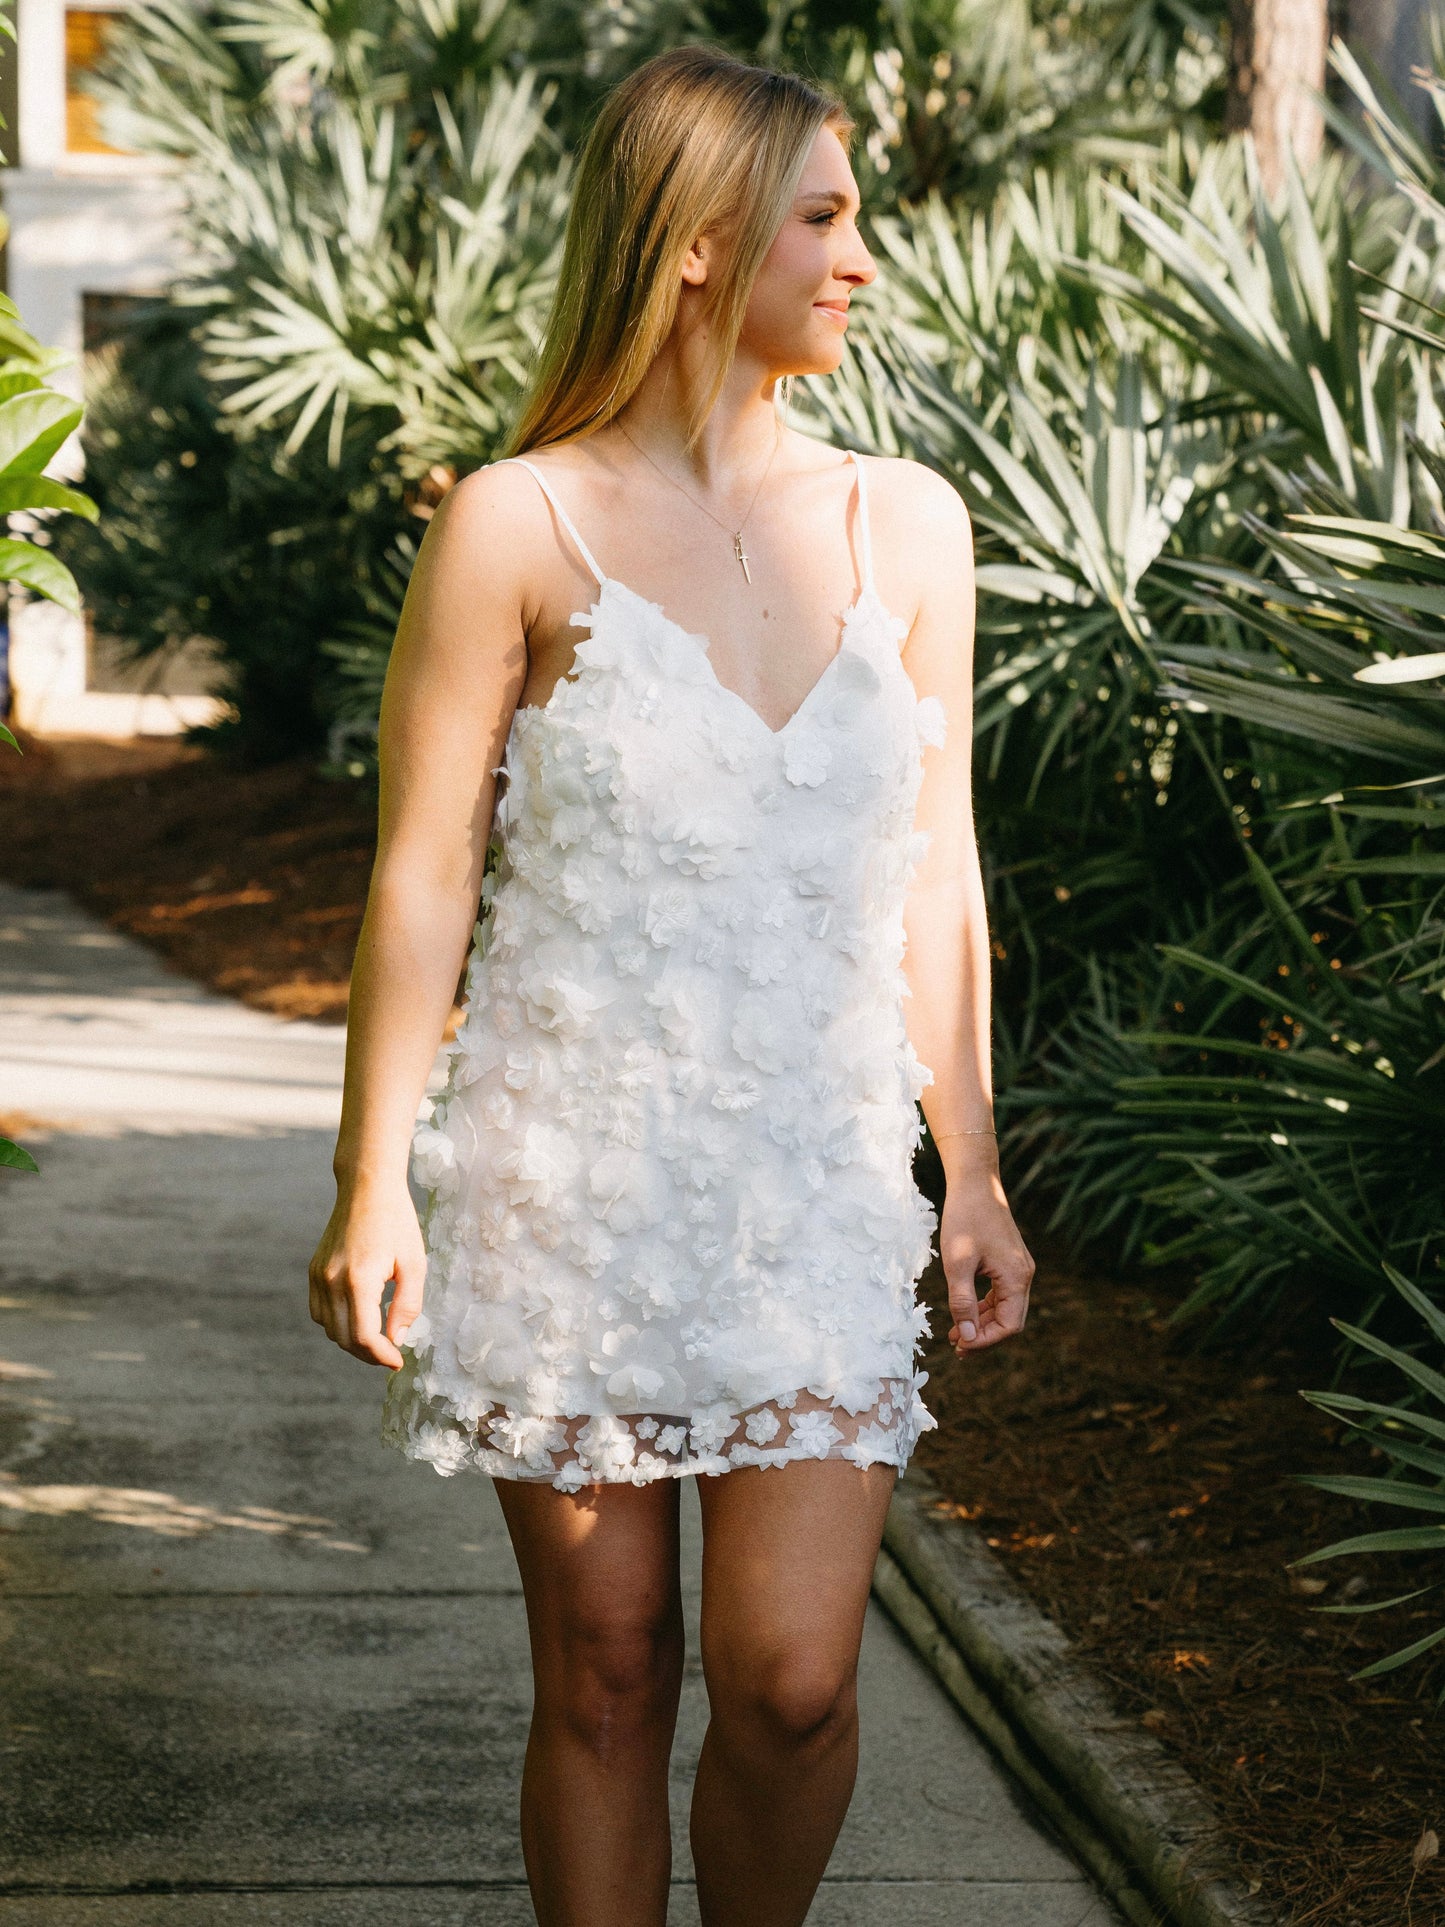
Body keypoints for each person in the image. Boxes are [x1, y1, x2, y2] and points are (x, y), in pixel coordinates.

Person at [309, 42, 1034, 1927]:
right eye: (824, 218)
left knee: (793, 1685)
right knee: (611, 1671)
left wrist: (971, 1161)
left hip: (804, 1187)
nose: (861, 258)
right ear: (699, 243)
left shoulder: (912, 523)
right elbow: (424, 870)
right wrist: (371, 1175)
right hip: (563, 1188)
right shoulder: (510, 524)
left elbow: (936, 866)